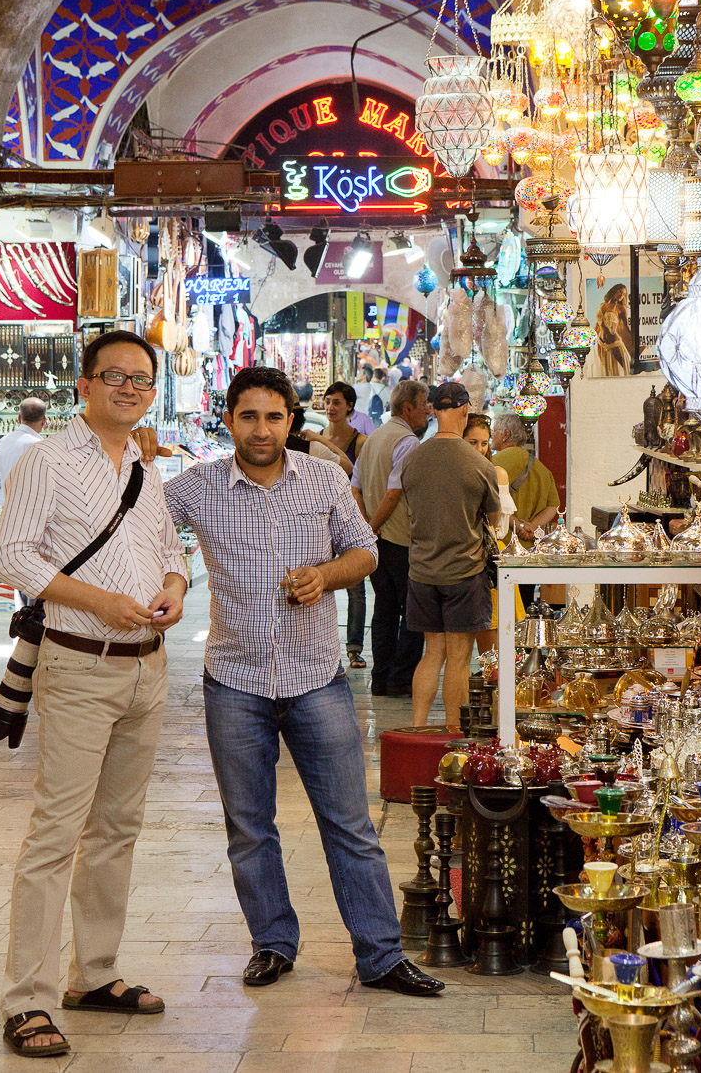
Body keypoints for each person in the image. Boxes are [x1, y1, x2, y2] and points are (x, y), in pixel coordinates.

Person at [162, 366, 443, 997]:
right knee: (249, 828)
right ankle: (272, 943)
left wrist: (325, 574)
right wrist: (172, 575)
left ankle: (380, 955)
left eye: (273, 417)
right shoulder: (198, 487)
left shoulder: (322, 478)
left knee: (350, 824)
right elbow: (140, 525)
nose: (261, 429)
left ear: (292, 421)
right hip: (234, 681)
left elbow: (365, 550)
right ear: (229, 421)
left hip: (317, 679)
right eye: (248, 417)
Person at [0, 330, 188, 1058]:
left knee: (117, 828)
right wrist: (99, 601)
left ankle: (95, 973)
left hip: (146, 667)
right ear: (84, 383)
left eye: (142, 379)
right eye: (115, 376)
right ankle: (27, 999)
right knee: (55, 833)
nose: (129, 389)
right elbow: (11, 554)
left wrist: (173, 587)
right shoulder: (47, 460)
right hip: (78, 663)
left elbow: (168, 550)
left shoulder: (144, 464)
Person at [400, 383, 512, 727]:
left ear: (433, 410)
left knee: (432, 652)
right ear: (465, 411)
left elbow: (410, 506)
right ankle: (453, 730)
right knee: (459, 658)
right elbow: (495, 520)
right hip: (465, 571)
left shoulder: (412, 459)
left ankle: (418, 727)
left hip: (421, 571)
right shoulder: (478, 463)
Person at [351, 379, 429, 697]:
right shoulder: (408, 442)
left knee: (384, 609)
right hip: (399, 539)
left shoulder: (374, 438)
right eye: (424, 405)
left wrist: (367, 527)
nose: (428, 411)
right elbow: (394, 493)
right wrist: (373, 525)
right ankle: (400, 679)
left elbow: (355, 488)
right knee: (412, 611)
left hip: (378, 540)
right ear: (407, 408)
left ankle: (381, 677)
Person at [491, 410, 560, 608]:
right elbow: (553, 506)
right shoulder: (541, 468)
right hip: (528, 550)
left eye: (494, 431)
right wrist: (531, 527)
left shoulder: (494, 464)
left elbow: (493, 503)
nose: (492, 436)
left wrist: (518, 525)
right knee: (525, 608)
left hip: (501, 548)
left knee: (502, 609)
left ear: (505, 435)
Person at [323, 382, 369, 669]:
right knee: (318, 580)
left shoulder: (360, 442)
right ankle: (317, 644)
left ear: (350, 406)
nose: (331, 407)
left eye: (337, 402)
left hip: (350, 516)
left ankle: (354, 647)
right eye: (328, 401)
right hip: (320, 518)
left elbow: (359, 479)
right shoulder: (317, 437)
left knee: (355, 587)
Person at [463, 413, 517, 654]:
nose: (479, 449)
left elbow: (498, 527)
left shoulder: (496, 472)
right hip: (465, 557)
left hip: (491, 556)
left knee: (494, 633)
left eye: (484, 443)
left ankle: (495, 677)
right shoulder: (456, 472)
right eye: (473, 442)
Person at [0, 397, 47, 506]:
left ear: (19, 418)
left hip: (7, 508)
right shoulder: (40, 446)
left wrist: (2, 501)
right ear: (44, 420)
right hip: (32, 510)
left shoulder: (3, 441)